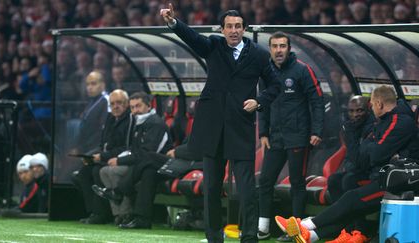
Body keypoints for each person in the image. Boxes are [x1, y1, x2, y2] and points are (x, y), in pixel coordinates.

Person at [160, 4, 279, 242]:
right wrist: (174, 22)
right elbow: (192, 37)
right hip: (212, 127)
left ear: (244, 28)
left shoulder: (259, 54)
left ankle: (249, 236)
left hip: (240, 127)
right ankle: (214, 236)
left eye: (238, 26)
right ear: (222, 29)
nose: (234, 30)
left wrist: (258, 101)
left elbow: (275, 85)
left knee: (246, 187)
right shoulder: (213, 45)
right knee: (212, 187)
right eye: (229, 27)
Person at [275, 86, 419, 243]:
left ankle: (305, 225)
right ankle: (312, 235)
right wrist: (370, 145)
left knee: (353, 198)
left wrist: (373, 148)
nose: (370, 109)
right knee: (344, 184)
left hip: (402, 181)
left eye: (371, 104)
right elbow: (363, 155)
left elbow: (376, 154)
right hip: (385, 175)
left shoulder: (400, 121)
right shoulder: (384, 121)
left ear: (379, 103)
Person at [254, 31, 324, 240]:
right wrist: (263, 132)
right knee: (265, 180)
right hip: (275, 137)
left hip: (298, 137)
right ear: (271, 49)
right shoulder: (266, 72)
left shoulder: (303, 70)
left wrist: (316, 131)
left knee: (297, 182)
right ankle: (263, 227)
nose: (278, 50)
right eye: (274, 46)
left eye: (282, 46)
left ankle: (296, 231)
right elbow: (263, 102)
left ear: (289, 48)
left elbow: (317, 101)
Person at [93, 91, 172, 228]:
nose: (135, 111)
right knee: (145, 172)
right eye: (132, 107)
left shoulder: (155, 124)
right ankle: (133, 217)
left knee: (142, 169)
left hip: (163, 166)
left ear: (148, 106)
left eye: (138, 106)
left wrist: (121, 161)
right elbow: (136, 151)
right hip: (146, 166)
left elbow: (147, 153)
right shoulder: (140, 123)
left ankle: (121, 200)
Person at [73, 89, 131, 224]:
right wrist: (91, 156)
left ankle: (102, 214)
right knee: (82, 173)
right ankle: (93, 211)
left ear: (127, 104)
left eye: (119, 103)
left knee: (96, 172)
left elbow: (126, 147)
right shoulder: (110, 118)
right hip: (106, 157)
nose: (115, 106)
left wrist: (102, 156)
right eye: (112, 104)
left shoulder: (129, 120)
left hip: (118, 159)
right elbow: (103, 143)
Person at [327, 96, 374, 203]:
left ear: (368, 109)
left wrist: (351, 133)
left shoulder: (373, 127)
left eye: (359, 110)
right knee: (333, 179)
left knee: (348, 180)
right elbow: (350, 156)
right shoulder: (349, 127)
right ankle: (340, 216)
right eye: (351, 111)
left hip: (370, 170)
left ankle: (355, 218)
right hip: (356, 168)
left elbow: (360, 159)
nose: (355, 115)